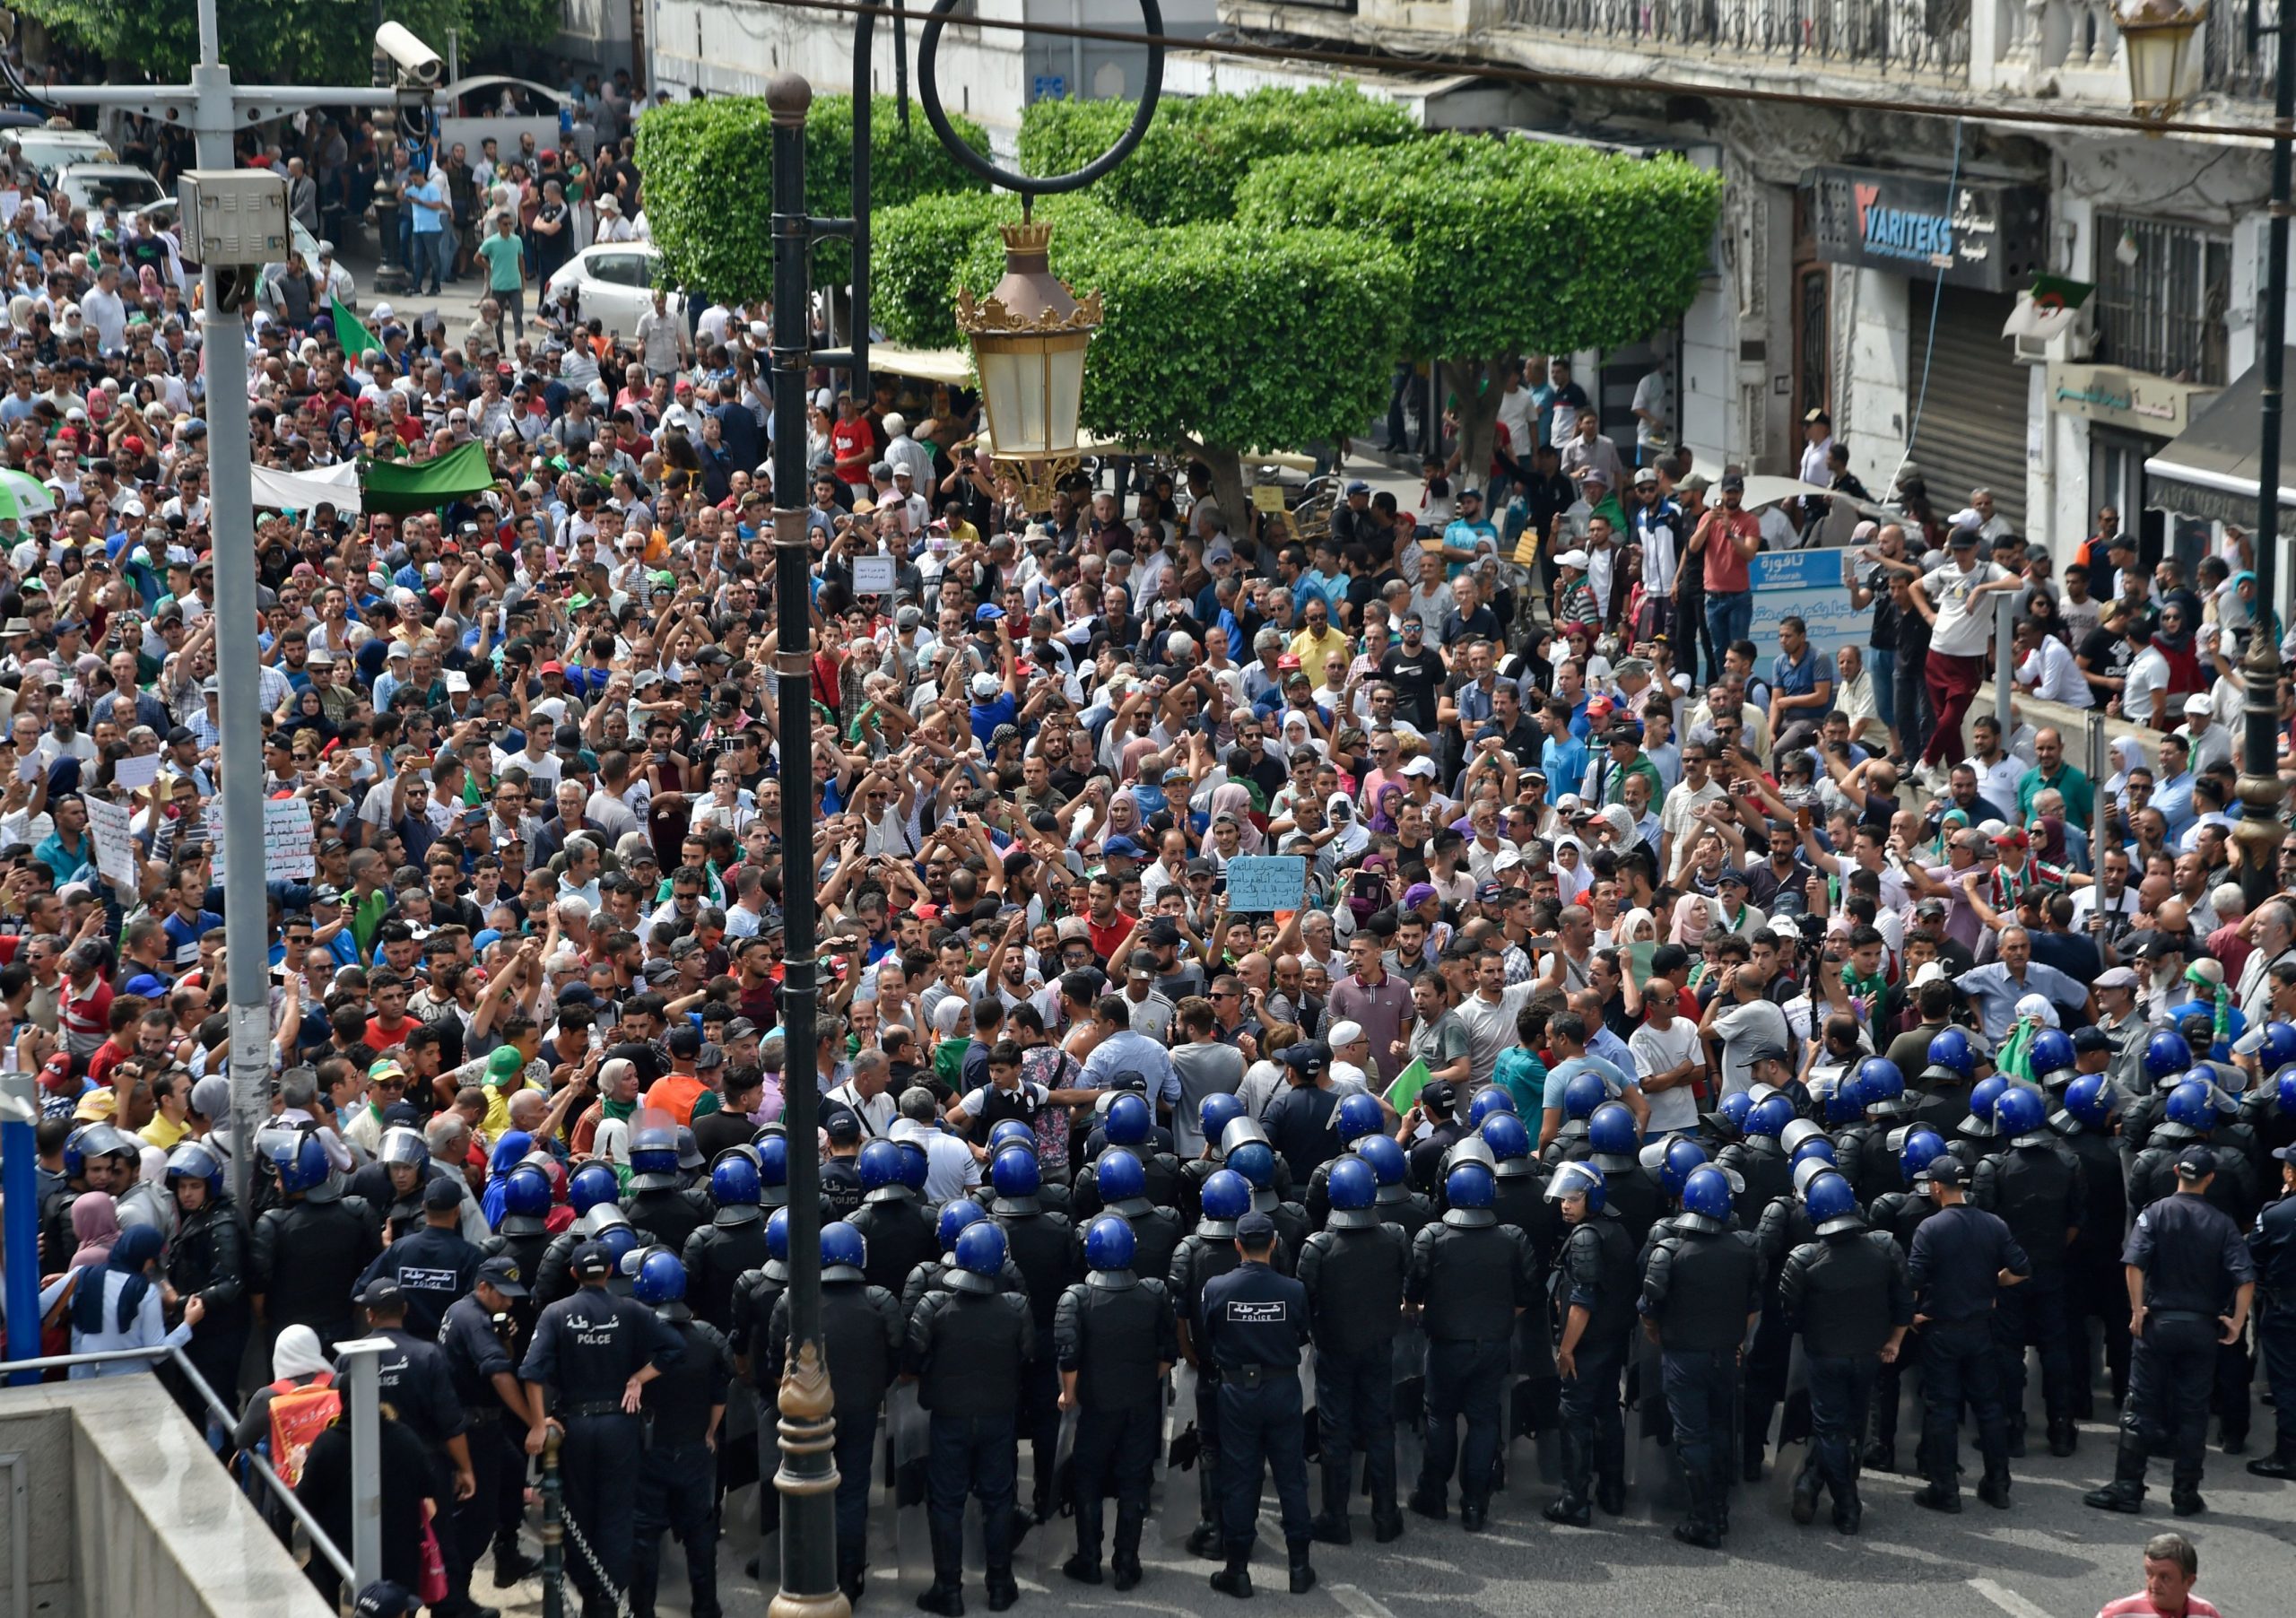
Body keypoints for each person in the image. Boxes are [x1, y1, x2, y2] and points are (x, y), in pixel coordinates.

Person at [2086, 1145, 2257, 1518]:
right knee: (2193, 1411)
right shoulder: (2222, 1223)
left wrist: (2136, 1311)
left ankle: (2128, 1488)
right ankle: (2185, 1494)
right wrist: (2238, 1321)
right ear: (2210, 1179)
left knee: (2139, 1407)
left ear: (2177, 1171)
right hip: (2201, 1327)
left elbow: (2134, 1264)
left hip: (2158, 1323)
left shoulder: (2156, 1213)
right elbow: (2245, 1279)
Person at [519, 1241, 685, 1618]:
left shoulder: (556, 1313)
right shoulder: (632, 1311)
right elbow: (675, 1349)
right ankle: (607, 1599)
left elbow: (531, 1372)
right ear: (611, 1272)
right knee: (616, 1512)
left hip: (573, 1427)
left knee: (576, 1510)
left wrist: (537, 1421)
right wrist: (638, 1378)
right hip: (618, 1425)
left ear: (574, 1274)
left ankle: (584, 1585)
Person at [907, 1219, 1033, 1615]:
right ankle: (1000, 1584)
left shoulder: (934, 1305)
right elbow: (1029, 1355)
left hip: (949, 1415)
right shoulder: (1016, 1307)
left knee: (945, 1501)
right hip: (997, 1413)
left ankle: (949, 1588)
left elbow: (912, 1358)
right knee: (998, 1499)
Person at [1777, 1169, 1911, 1535]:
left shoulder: (1804, 1260)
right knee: (1848, 1428)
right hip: (1869, 1354)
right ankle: (1818, 1487)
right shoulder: (1885, 1248)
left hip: (1825, 1355)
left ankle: (1844, 1503)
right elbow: (1903, 1302)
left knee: (1832, 1430)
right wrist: (1894, 1341)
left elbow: (1793, 1316)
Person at [1407, 1158, 1536, 1532]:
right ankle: (1475, 1505)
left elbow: (1413, 1290)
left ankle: (1433, 1494)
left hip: (1446, 1343)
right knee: (1483, 1421)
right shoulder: (1512, 1238)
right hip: (1494, 1343)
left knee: (1440, 1417)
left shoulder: (1433, 1237)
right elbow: (1529, 1293)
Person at [1639, 1163, 1762, 1547]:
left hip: (1683, 1356)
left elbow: (1649, 1308)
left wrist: (1660, 1337)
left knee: (1692, 1438)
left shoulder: (1671, 1251)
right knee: (1721, 1430)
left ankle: (1703, 1519)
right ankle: (1720, 1509)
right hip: (1725, 1354)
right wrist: (1739, 1340)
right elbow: (1753, 1305)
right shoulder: (1744, 1248)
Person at [1054, 1214, 1178, 1588]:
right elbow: (1167, 1354)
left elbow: (1068, 1355)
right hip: (1139, 1403)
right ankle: (1127, 1563)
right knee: (1133, 1482)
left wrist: (1069, 1393)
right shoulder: (1153, 1293)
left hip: (1095, 1406)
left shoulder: (1077, 1298)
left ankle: (1089, 1559)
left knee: (1088, 1480)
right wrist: (1142, 1381)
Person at [1198, 1208, 1317, 1598]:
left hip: (1237, 1393)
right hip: (1283, 1390)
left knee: (1240, 1479)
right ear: (1273, 1244)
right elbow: (1302, 1332)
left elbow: (1209, 1335)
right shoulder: (1293, 1290)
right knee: (1291, 1478)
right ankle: (1299, 1568)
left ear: (1237, 1245)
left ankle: (1238, 1570)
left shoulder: (1217, 1289)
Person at [1906, 1155, 2031, 1511]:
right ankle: (1998, 1483)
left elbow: (1913, 1280)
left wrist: (1910, 1315)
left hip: (1940, 1330)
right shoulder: (1993, 1224)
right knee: (1989, 1408)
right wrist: (1992, 1283)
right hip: (1980, 1329)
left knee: (1942, 1408)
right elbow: (2021, 1269)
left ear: (1935, 1187)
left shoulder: (1930, 1228)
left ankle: (1945, 1489)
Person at [626, 1249, 731, 1618]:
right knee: (700, 1535)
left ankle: (643, 1610)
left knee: (644, 1537)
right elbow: (720, 1395)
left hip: (648, 1451)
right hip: (693, 1450)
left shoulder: (638, 1344)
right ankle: (706, 1607)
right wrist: (710, 1433)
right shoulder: (706, 1341)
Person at [1545, 1160, 1637, 1526]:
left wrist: (1566, 1349)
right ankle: (1612, 1491)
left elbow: (1582, 1301)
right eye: (1563, 1198)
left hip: (1587, 1345)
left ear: (1592, 1198)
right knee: (1606, 1412)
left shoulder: (1585, 1237)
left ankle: (1574, 1500)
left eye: (1574, 1199)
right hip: (1612, 1339)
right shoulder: (1615, 1230)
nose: (1565, 1205)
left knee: (1574, 1416)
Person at [2252, 1142, 2296, 1479]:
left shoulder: (2277, 1214)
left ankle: (2287, 1455)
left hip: (2286, 1309)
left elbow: (2253, 1255)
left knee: (2286, 1383)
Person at [2098, 1532, 2222, 1618]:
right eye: (2149, 1574)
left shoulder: (2206, 1613)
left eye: (2165, 1577)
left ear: (2189, 1582)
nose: (2154, 1584)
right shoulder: (2119, 1614)